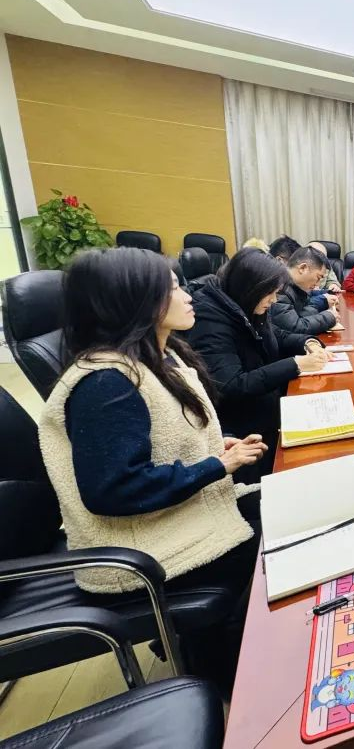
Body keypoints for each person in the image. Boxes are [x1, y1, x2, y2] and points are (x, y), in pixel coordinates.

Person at [36, 247, 267, 692]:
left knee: (287, 506)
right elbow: (113, 489)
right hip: (137, 554)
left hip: (174, 521)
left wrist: (213, 449)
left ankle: (215, 648)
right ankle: (226, 674)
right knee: (279, 539)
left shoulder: (158, 357)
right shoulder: (105, 382)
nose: (188, 295)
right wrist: (215, 465)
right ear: (135, 301)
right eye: (173, 288)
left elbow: (161, 440)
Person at [186, 248, 330, 475]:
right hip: (243, 431)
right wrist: (296, 364)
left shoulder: (246, 304)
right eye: (270, 293)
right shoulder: (210, 318)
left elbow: (276, 334)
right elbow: (231, 385)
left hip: (268, 407)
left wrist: (307, 342)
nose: (274, 300)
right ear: (250, 288)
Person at [269, 246, 340, 335]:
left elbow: (303, 312)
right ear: (303, 268)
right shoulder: (279, 289)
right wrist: (328, 317)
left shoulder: (296, 286)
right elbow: (295, 327)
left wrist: (326, 295)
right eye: (318, 277)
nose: (318, 284)